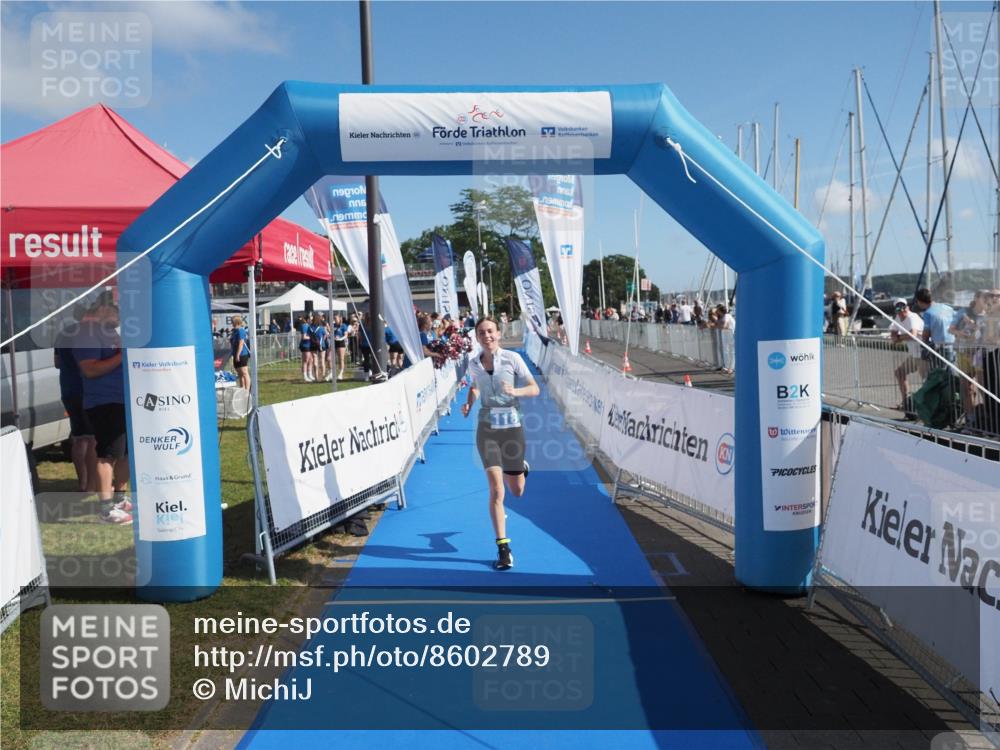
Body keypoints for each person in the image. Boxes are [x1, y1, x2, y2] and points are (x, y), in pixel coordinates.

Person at [461, 317, 540, 571]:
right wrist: (469, 402)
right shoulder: (474, 363)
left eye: (491, 331)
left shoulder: (513, 359)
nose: (487, 336)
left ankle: (521, 469)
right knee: (497, 490)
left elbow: (534, 388)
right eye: (482, 332)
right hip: (487, 430)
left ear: (498, 334)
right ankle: (503, 549)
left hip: (512, 429)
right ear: (477, 337)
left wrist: (515, 392)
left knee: (517, 490)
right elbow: (475, 386)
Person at [75, 295, 130, 524]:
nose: (119, 315)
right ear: (104, 309)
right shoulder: (86, 333)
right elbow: (90, 370)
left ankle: (120, 498)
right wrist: (121, 355)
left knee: (126, 453)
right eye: (116, 309)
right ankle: (106, 508)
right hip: (103, 402)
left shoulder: (109, 332)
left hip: (121, 399)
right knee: (107, 454)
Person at [53, 305, 97, 493]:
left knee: (79, 438)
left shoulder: (63, 334)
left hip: (69, 389)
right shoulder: (92, 334)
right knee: (93, 440)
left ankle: (83, 483)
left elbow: (56, 363)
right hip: (88, 390)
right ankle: (94, 484)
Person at [889, 298, 925, 411]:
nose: (902, 309)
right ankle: (906, 403)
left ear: (908, 307)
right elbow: (893, 329)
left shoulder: (912, 317)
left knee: (926, 380)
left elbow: (913, 334)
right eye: (899, 307)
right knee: (899, 372)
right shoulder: (898, 318)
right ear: (896, 310)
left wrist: (898, 338)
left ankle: (925, 407)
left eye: (904, 306)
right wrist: (894, 335)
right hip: (915, 354)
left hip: (923, 353)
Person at [913, 287, 956, 365]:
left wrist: (924, 345)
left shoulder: (928, 313)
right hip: (953, 345)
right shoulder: (947, 308)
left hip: (940, 349)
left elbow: (926, 334)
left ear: (919, 301)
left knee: (940, 373)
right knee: (952, 374)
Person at [229, 315, 252, 391]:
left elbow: (241, 343)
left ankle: (247, 390)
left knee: (244, 372)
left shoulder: (241, 330)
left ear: (236, 322)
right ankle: (242, 389)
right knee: (240, 374)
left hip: (242, 354)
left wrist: (238, 354)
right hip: (235, 354)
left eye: (232, 321)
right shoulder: (234, 331)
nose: (231, 323)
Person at [311, 314, 328, 382]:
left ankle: (316, 377)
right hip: (321, 345)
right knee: (322, 360)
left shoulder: (310, 327)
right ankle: (323, 376)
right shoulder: (321, 328)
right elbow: (325, 335)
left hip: (313, 345)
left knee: (315, 360)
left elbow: (309, 335)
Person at [332, 313, 349, 380]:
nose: (335, 320)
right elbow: (331, 332)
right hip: (334, 342)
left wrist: (340, 338)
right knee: (334, 358)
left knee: (341, 358)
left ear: (339, 318)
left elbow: (346, 335)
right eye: (334, 318)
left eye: (336, 318)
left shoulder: (343, 325)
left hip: (341, 343)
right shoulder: (334, 325)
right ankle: (334, 372)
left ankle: (341, 373)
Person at [299, 314, 314, 382]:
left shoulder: (309, 326)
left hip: (309, 345)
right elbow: (303, 337)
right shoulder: (305, 326)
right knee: (306, 360)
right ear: (307, 320)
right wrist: (311, 338)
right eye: (311, 319)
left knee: (311, 360)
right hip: (305, 345)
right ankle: (305, 376)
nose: (312, 321)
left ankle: (310, 374)